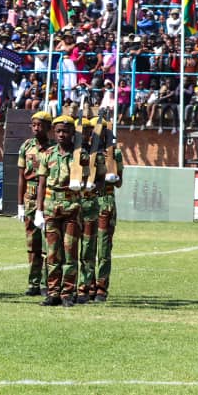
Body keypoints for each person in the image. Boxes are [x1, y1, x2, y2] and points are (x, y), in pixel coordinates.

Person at [35, 115, 86, 307]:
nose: (62, 135)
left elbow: (90, 180)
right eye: (58, 131)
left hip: (71, 208)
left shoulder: (80, 155)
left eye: (65, 131)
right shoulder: (48, 154)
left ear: (73, 132)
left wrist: (82, 183)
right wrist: (38, 210)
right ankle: (53, 292)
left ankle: (67, 293)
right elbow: (41, 184)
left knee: (70, 252)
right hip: (51, 207)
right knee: (52, 253)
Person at [17, 111, 53, 296]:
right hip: (30, 197)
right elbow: (21, 176)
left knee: (48, 243)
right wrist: (20, 205)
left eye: (40, 125)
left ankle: (48, 283)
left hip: (47, 196)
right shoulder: (26, 146)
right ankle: (33, 283)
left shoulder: (54, 148)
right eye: (34, 125)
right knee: (32, 243)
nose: (36, 128)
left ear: (48, 127)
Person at [94, 127, 124, 302]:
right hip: (88, 200)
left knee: (104, 248)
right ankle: (86, 286)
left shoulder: (115, 154)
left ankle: (101, 287)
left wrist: (115, 177)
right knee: (87, 248)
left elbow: (120, 183)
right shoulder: (86, 152)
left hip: (106, 201)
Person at [77, 118, 100, 303]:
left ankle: (84, 288)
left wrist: (94, 186)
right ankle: (68, 287)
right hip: (70, 205)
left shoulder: (96, 154)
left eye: (87, 131)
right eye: (82, 130)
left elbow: (102, 178)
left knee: (87, 250)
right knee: (68, 250)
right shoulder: (71, 153)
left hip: (89, 204)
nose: (85, 134)